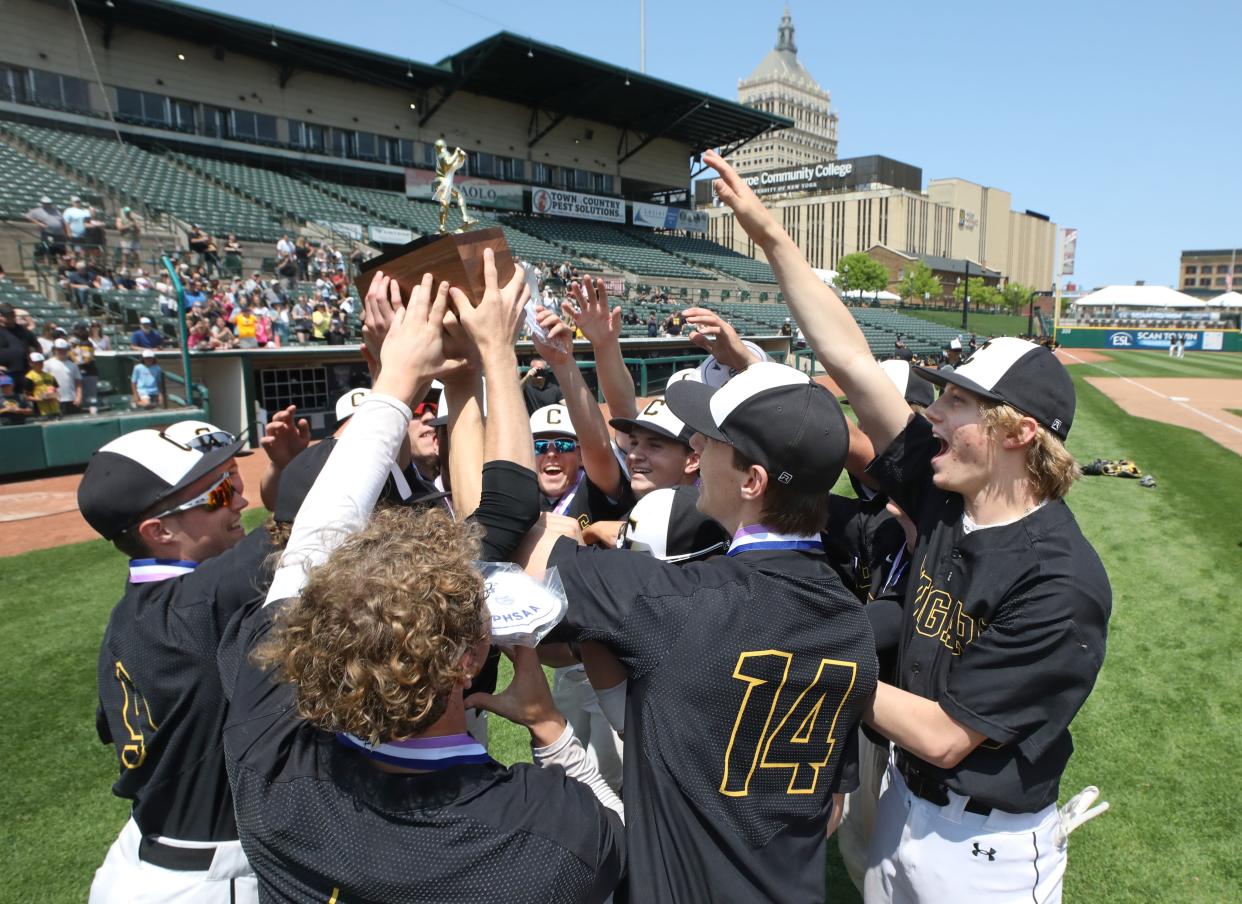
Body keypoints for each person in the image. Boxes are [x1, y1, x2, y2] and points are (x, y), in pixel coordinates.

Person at [703, 146, 1111, 903]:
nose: (933, 411)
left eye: (957, 404)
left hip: (983, 849)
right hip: (904, 807)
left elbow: (946, 735)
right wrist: (770, 235)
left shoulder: (1062, 581)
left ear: (1016, 434)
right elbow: (852, 360)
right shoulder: (948, 497)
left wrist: (794, 651)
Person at [219, 256, 623, 903]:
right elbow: (627, 848)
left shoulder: (269, 765)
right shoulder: (543, 828)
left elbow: (306, 550)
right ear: (469, 658)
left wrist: (399, 377)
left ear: (312, 645)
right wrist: (550, 732)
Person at [518, 361, 877, 902]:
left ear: (752, 481)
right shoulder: (851, 619)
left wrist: (566, 529)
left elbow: (521, 562)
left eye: (709, 442)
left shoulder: (673, 601)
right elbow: (829, 811)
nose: (697, 451)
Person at [78, 416, 303, 903]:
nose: (240, 501)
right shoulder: (200, 605)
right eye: (221, 495)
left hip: (140, 861)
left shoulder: (132, 616)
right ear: (159, 531)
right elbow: (317, 510)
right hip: (209, 881)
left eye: (235, 483)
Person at [0, 301, 41, 377]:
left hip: (24, 371)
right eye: (7, 315)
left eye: (12, 314)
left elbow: (37, 346)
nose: (10, 316)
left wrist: (36, 362)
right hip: (4, 374)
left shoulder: (23, 331)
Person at [45, 337, 83, 415]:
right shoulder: (47, 364)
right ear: (54, 350)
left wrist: (79, 397)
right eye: (59, 349)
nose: (62, 352)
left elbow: (78, 383)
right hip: (55, 400)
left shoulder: (73, 365)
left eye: (64, 349)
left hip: (71, 400)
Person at [26, 195, 66, 260]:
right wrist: (38, 223)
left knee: (62, 249)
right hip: (48, 232)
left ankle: (64, 263)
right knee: (49, 247)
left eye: (49, 203)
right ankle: (48, 261)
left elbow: (62, 220)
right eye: (46, 203)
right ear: (42, 203)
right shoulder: (37, 211)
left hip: (59, 233)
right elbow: (28, 216)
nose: (48, 205)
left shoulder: (56, 210)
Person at [25, 352, 60, 417]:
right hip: (41, 411)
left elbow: (57, 393)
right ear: (31, 364)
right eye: (37, 362)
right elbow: (26, 396)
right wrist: (41, 398)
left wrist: (53, 394)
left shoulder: (50, 376)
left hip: (55, 409)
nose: (40, 364)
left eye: (41, 362)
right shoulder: (29, 377)